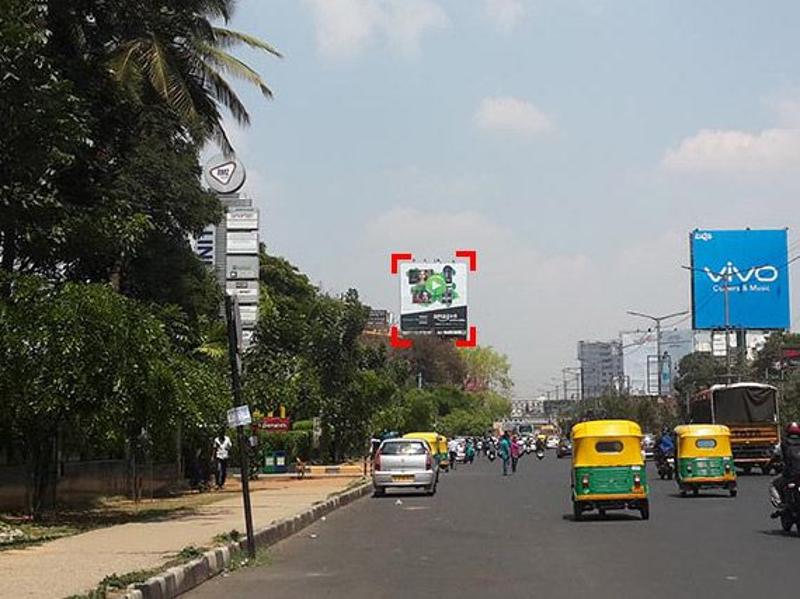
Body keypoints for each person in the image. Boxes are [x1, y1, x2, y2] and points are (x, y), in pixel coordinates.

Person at [771, 422, 800, 508]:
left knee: (773, 484)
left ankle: (779, 502)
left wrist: (770, 463)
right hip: (792, 477)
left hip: (790, 475)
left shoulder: (783, 443)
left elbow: (775, 454)